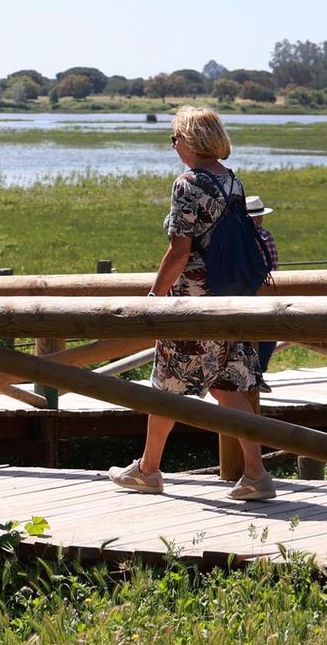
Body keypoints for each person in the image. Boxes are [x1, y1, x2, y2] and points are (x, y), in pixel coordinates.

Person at [108, 107, 275, 501]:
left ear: (192, 140)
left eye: (176, 138)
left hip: (193, 303)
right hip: (230, 299)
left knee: (166, 385)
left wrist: (155, 297)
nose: (173, 145)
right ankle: (256, 474)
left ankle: (148, 470)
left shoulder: (187, 184)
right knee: (229, 384)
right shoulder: (232, 181)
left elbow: (179, 251)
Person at [246, 195, 279, 392]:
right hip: (263, 293)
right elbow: (273, 269)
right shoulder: (265, 237)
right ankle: (258, 373)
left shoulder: (235, 238)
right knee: (269, 332)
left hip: (238, 291)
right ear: (259, 217)